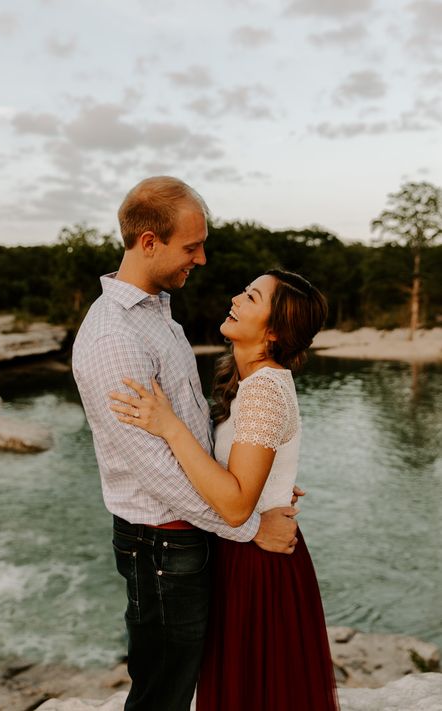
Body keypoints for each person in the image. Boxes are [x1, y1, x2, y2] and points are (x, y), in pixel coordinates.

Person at [72, 176, 303, 711]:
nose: (201, 259)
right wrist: (251, 525)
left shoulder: (157, 313)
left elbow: (191, 431)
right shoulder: (115, 339)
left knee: (185, 680)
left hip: (189, 539)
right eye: (191, 246)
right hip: (161, 544)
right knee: (163, 692)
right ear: (149, 242)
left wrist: (263, 482)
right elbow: (159, 474)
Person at [109, 268, 340, 710]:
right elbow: (246, 476)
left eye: (252, 297)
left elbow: (235, 505)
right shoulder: (254, 385)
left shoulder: (264, 392)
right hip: (247, 550)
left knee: (255, 691)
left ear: (273, 332)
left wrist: (167, 424)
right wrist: (275, 488)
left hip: (258, 563)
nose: (236, 297)